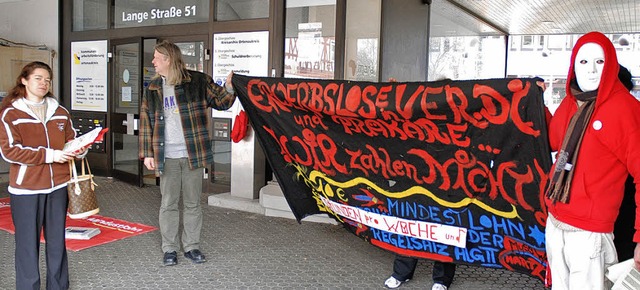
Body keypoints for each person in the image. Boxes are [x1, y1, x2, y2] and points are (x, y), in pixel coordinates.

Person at [544, 31, 640, 289]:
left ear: (611, 63)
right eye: (583, 62)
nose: (591, 69)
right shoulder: (571, 102)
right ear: (574, 64)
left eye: (599, 61)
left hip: (590, 232)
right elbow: (552, 139)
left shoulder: (625, 108)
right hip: (555, 221)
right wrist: (531, 102)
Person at [139, 40, 237, 266]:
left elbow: (222, 102)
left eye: (156, 57)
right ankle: (169, 249)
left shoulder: (198, 81)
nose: (152, 62)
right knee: (169, 204)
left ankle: (192, 246)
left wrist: (230, 87)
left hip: (193, 154)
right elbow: (146, 122)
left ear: (168, 59)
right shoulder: (152, 88)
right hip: (167, 156)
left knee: (193, 203)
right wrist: (147, 154)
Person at [0, 61, 82, 290]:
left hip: (58, 187)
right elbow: (10, 151)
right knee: (27, 244)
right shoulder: (11, 114)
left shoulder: (60, 112)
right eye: (38, 78)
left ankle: (58, 286)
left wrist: (79, 147)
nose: (44, 83)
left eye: (47, 79)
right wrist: (50, 155)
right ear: (24, 80)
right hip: (26, 189)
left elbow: (70, 139)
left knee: (57, 242)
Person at [383, 77, 456, 290]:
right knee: (409, 226)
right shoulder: (420, 114)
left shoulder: (460, 118)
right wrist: (394, 91)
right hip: (416, 179)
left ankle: (442, 279)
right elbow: (397, 117)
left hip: (447, 182)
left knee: (444, 228)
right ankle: (401, 272)